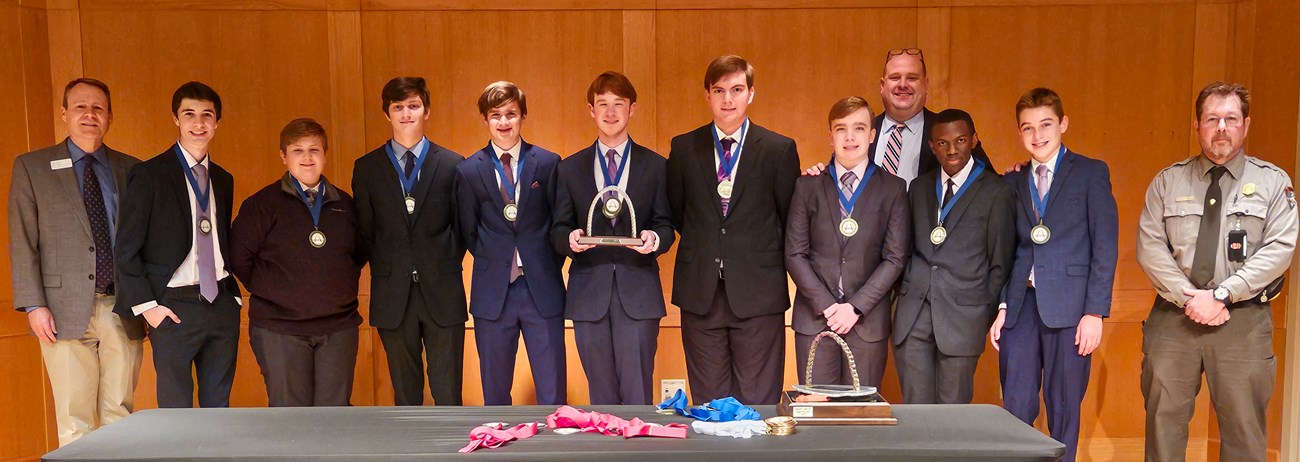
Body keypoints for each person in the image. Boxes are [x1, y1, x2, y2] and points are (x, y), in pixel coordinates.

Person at [1136, 82, 1297, 462]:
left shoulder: (1274, 182)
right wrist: (1190, 297)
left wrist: (1223, 295)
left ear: (1245, 125)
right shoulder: (1167, 181)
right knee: (1163, 427)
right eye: (1212, 119)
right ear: (1197, 126)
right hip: (1175, 318)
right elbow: (1150, 246)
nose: (1221, 127)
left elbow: (1280, 248)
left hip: (1243, 321)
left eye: (1231, 119)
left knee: (1244, 432)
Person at [9, 78, 143, 445]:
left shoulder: (132, 170)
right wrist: (34, 304)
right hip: (61, 310)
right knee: (74, 420)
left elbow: (146, 242)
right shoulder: (32, 168)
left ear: (110, 117)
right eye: (80, 106)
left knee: (121, 416)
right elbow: (23, 241)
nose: (89, 114)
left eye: (98, 107)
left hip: (123, 307)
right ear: (64, 113)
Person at [988, 88, 1118, 462]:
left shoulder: (1091, 173)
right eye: (1027, 128)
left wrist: (1095, 312)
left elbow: (1104, 247)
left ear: (1063, 124)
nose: (1037, 135)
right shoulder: (1011, 181)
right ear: (1019, 132)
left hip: (1072, 309)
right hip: (1021, 307)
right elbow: (1006, 249)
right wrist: (1003, 306)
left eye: (1045, 124)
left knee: (1064, 408)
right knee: (1015, 403)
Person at [666, 55, 800, 405]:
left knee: (758, 402)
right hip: (701, 294)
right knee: (710, 403)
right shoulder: (683, 148)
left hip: (758, 295)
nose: (728, 99)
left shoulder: (778, 149)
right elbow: (680, 213)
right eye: (719, 90)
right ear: (707, 96)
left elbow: (788, 219)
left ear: (751, 94)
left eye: (737, 90)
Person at [114, 81, 242, 408]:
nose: (198, 123)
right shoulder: (150, 175)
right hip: (173, 308)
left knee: (219, 408)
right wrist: (148, 309)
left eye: (206, 115)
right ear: (176, 119)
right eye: (189, 114)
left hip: (221, 306)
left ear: (217, 123)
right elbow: (126, 249)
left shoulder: (223, 179)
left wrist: (234, 299)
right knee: (176, 412)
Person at [551, 71, 675, 405]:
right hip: (589, 295)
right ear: (590, 110)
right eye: (602, 104)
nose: (610, 112)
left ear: (632, 109)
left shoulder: (657, 166)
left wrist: (656, 239)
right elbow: (558, 227)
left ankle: (639, 457)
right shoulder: (569, 168)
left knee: (637, 393)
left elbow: (666, 225)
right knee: (600, 396)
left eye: (618, 104)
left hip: (638, 293)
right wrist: (570, 240)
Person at [231, 118, 364, 406]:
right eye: (298, 150)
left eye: (314, 150)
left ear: (325, 155)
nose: (307, 158)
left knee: (335, 417)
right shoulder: (261, 205)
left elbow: (358, 253)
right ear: (283, 156)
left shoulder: (345, 204)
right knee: (290, 419)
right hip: (280, 329)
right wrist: (278, 290)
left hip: (338, 328)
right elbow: (239, 258)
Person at [352, 77, 467, 406]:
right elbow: (366, 232)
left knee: (448, 392)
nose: (406, 114)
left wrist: (439, 262)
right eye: (398, 107)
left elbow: (461, 229)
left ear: (427, 111)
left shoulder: (453, 165)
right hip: (393, 295)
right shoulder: (367, 168)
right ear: (387, 114)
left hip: (442, 292)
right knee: (405, 394)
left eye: (413, 106)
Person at [892, 108, 1014, 404]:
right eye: (943, 143)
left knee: (953, 418)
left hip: (963, 319)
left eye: (960, 140)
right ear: (932, 147)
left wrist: (979, 316)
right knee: (915, 413)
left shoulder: (997, 191)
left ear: (974, 140)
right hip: (913, 318)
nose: (952, 150)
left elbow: (1001, 264)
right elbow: (905, 250)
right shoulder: (919, 188)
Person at [456, 81, 566, 405]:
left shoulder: (547, 163)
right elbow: (469, 233)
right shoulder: (468, 170)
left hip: (541, 290)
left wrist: (537, 263)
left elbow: (556, 225)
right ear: (485, 120)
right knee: (494, 393)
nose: (504, 122)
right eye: (495, 115)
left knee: (552, 391)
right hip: (493, 294)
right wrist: (501, 262)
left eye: (511, 114)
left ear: (522, 116)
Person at [786, 96, 908, 388]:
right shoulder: (807, 186)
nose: (850, 137)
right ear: (830, 136)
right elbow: (794, 253)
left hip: (866, 321)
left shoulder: (893, 188)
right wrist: (828, 306)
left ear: (872, 135)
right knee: (818, 415)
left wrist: (854, 307)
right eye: (841, 129)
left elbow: (894, 258)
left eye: (859, 128)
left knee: (860, 416)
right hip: (816, 319)